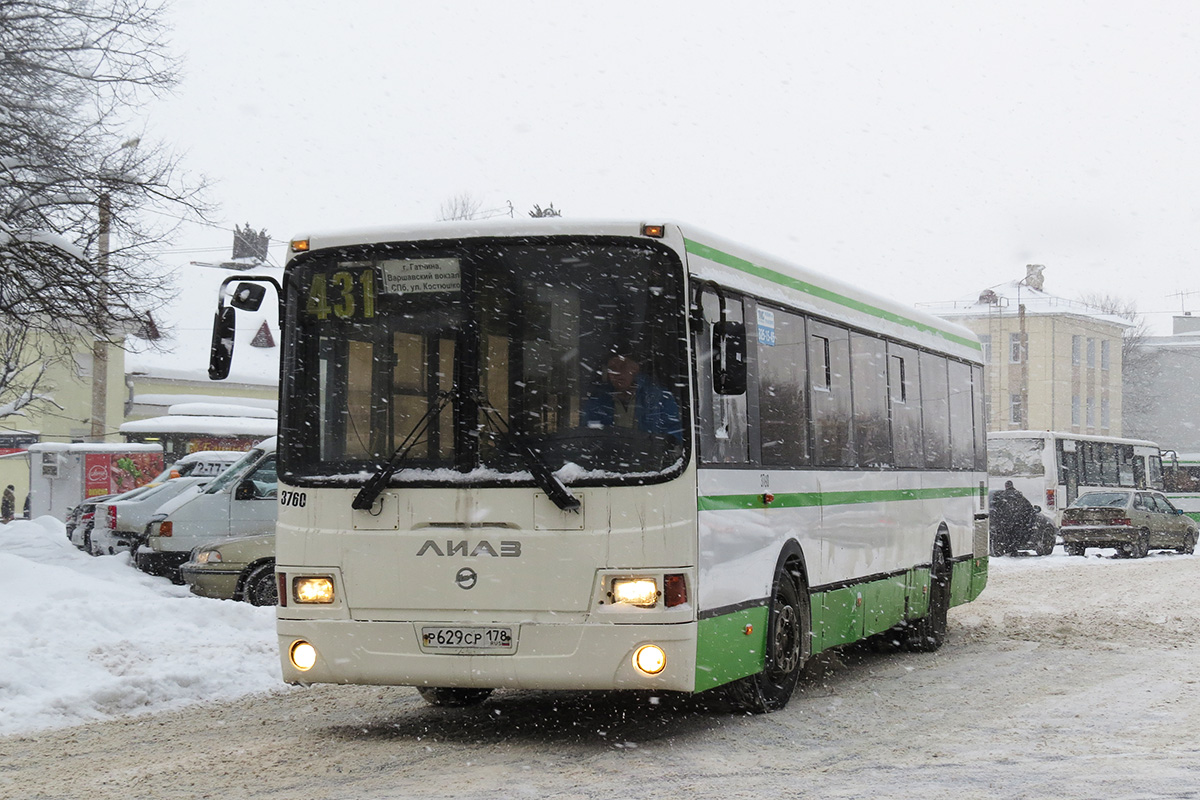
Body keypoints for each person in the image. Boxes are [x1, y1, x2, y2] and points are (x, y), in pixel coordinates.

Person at [581, 342, 682, 439]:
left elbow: (674, 437)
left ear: (635, 368)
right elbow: (588, 437)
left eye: (622, 366)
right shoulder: (598, 402)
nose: (617, 373)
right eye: (612, 368)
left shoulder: (660, 398)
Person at [990, 480, 1036, 556]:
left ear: (1006, 486)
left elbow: (998, 507)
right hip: (1018, 520)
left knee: (1008, 536)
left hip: (1006, 521)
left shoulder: (1002, 496)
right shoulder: (1018, 495)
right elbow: (1028, 507)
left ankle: (1008, 549)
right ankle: (1013, 550)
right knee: (1016, 536)